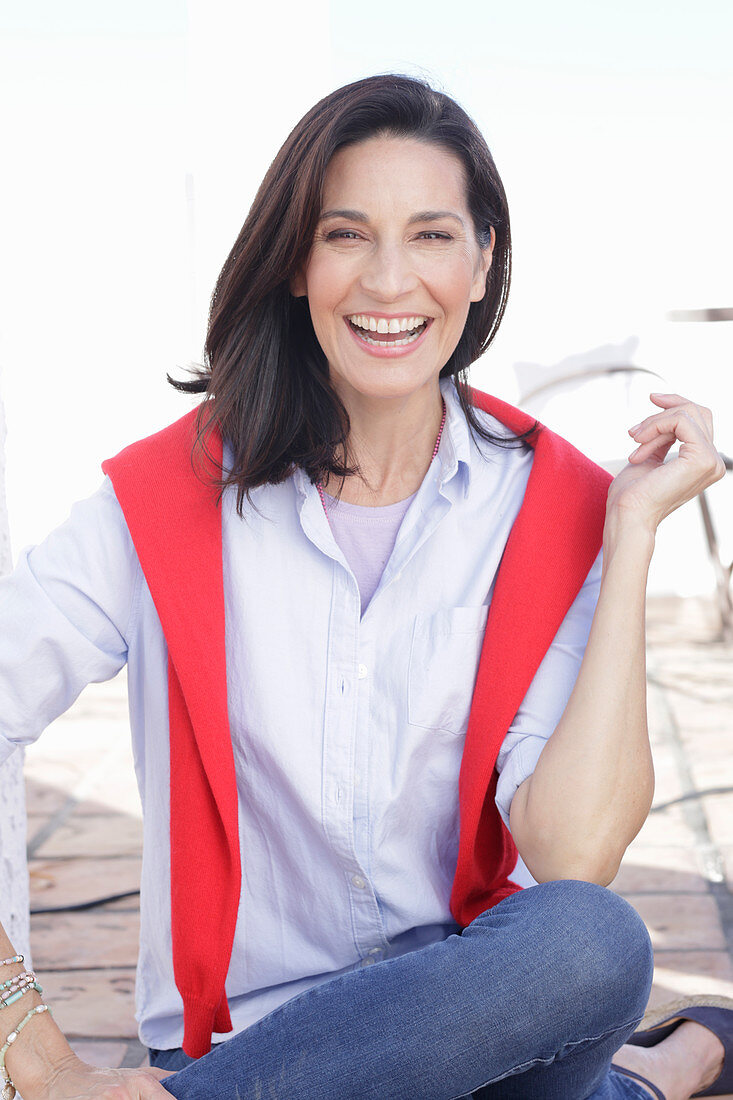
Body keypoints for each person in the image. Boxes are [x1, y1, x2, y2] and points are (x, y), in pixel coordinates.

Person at [0, 73, 729, 1100]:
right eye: (347, 235)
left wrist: (630, 536)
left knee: (592, 937)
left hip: (481, 1026)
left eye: (431, 235)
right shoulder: (159, 498)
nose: (390, 281)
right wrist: (22, 1037)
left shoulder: (556, 503)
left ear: (483, 261)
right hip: (254, 1055)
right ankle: (661, 1068)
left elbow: (572, 852)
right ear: (297, 262)